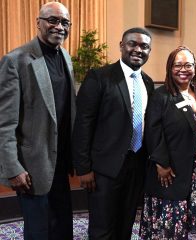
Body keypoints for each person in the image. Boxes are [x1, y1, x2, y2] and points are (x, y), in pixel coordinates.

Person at [0, 2, 75, 239]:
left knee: (63, 228)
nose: (59, 26)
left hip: (61, 163)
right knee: (39, 232)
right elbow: (4, 123)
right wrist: (13, 168)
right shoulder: (15, 60)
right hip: (32, 167)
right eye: (53, 20)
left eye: (64, 22)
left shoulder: (65, 56)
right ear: (38, 23)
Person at [72, 27, 154, 240]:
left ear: (149, 51)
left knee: (125, 225)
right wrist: (83, 168)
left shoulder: (148, 82)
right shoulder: (99, 77)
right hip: (103, 170)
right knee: (102, 229)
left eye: (144, 46)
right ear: (121, 46)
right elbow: (83, 123)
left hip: (135, 167)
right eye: (132, 44)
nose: (138, 49)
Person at [139, 46, 196, 239]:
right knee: (170, 226)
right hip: (172, 170)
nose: (183, 69)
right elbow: (152, 130)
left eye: (188, 65)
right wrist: (161, 163)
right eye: (178, 65)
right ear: (170, 68)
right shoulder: (161, 96)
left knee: (187, 224)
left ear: (195, 68)